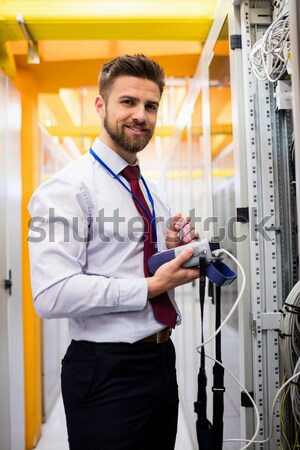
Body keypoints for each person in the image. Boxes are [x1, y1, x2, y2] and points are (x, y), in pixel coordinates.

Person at [28, 54, 200, 450]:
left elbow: (134, 258)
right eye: (128, 102)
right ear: (101, 105)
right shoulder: (67, 189)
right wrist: (150, 287)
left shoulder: (150, 190)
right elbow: (51, 294)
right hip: (105, 371)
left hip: (160, 360)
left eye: (151, 106)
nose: (141, 115)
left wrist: (170, 248)